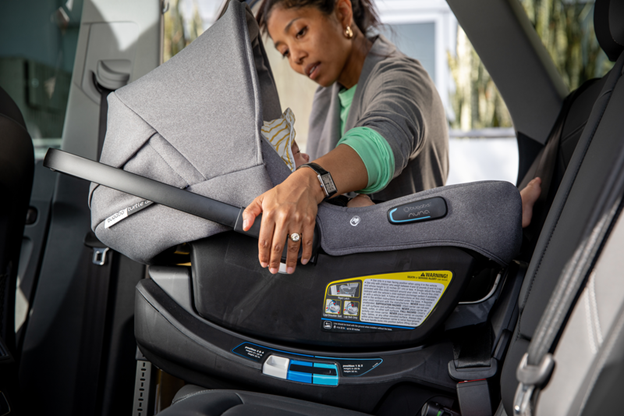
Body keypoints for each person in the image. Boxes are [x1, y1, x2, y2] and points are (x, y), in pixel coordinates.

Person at [244, 0, 449, 275]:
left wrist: (309, 181)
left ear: (342, 14)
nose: (295, 57)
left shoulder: (403, 79)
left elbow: (379, 143)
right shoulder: (326, 96)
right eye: (284, 52)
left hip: (409, 273)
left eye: (300, 32)